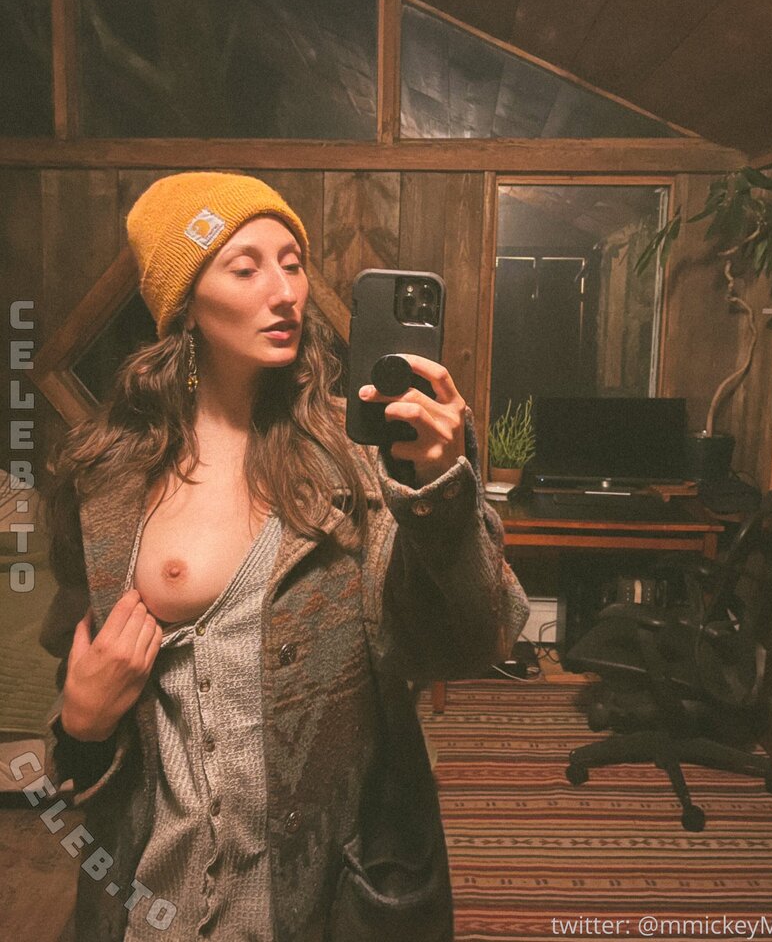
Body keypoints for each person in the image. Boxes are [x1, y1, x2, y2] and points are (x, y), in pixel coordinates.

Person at [38, 171, 530, 942]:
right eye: (246, 268)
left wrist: (440, 491)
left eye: (293, 263)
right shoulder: (104, 478)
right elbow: (76, 687)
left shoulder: (358, 459)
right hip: (150, 899)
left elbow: (474, 638)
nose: (286, 292)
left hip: (321, 899)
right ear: (184, 304)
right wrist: (79, 725)